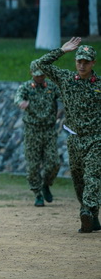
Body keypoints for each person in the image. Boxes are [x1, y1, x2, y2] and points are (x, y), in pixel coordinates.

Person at [34, 37, 101, 233]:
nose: (81, 65)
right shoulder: (66, 79)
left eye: (86, 62)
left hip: (96, 139)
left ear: (93, 63)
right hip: (74, 139)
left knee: (93, 176)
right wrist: (62, 51)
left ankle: (87, 210)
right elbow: (41, 64)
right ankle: (92, 217)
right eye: (79, 61)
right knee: (78, 180)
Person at [14, 60, 62, 207]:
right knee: (33, 166)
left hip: (49, 130)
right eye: (37, 75)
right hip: (32, 131)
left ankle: (46, 184)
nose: (40, 78)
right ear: (31, 74)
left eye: (42, 75)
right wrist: (21, 103)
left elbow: (64, 98)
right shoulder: (26, 87)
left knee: (54, 163)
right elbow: (18, 97)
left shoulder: (52, 87)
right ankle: (38, 194)